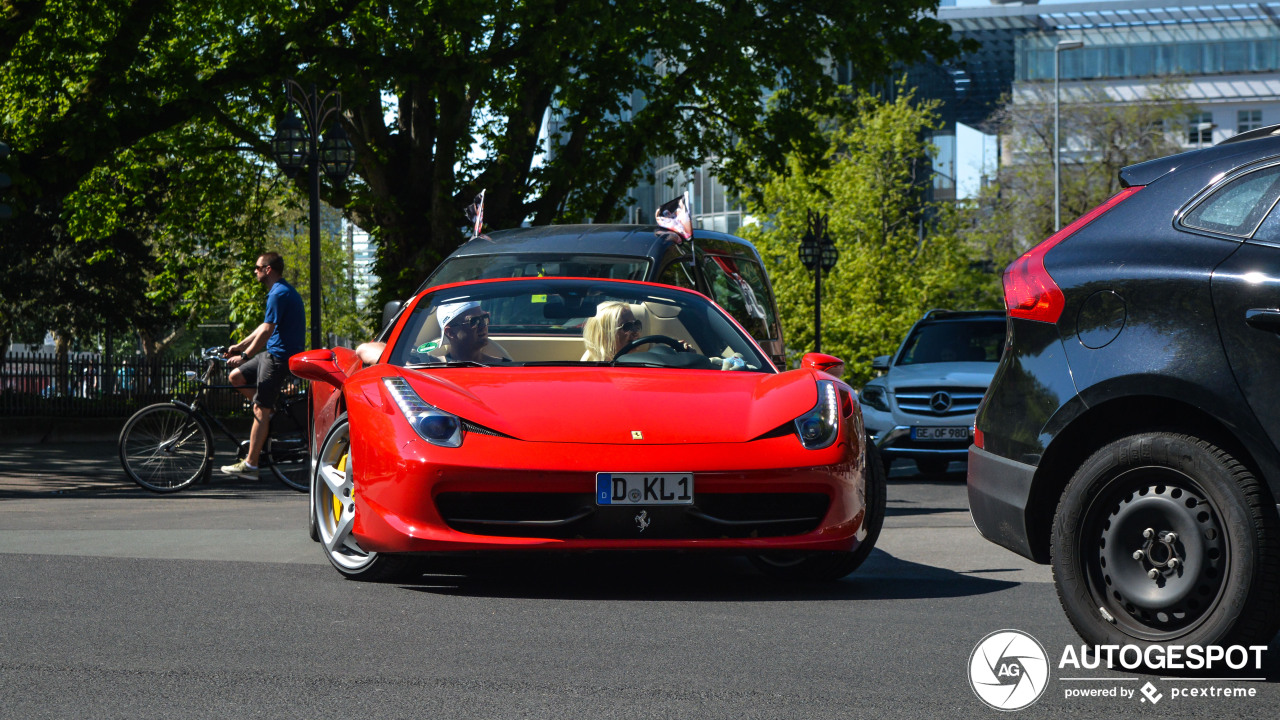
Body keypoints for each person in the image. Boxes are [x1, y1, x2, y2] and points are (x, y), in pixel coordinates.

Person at [220, 252, 305, 479]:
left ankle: (251, 464)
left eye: (257, 268)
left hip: (279, 357)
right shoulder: (279, 291)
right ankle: (270, 409)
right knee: (236, 377)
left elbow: (267, 331)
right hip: (271, 354)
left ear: (268, 269)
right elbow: (264, 326)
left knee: (259, 408)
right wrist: (240, 345)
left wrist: (246, 355)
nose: (255, 271)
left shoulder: (279, 293)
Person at [436, 301, 507, 363]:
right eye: (474, 321)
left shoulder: (504, 368)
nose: (483, 326)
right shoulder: (433, 371)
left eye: (485, 317)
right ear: (450, 332)